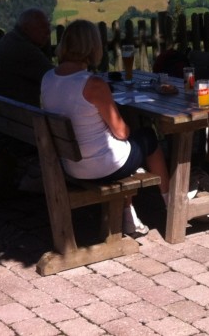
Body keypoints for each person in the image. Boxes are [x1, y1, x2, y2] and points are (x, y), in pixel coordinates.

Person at [40, 19, 180, 237]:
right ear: (92, 47)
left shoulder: (48, 78)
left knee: (124, 146)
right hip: (101, 166)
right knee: (148, 138)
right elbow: (121, 132)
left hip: (71, 165)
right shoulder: (92, 84)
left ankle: (128, 214)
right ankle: (171, 205)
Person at [0, 8, 53, 106]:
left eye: (48, 26)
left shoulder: (10, 40)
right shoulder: (24, 49)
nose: (48, 32)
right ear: (26, 28)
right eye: (42, 27)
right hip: (11, 116)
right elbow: (55, 79)